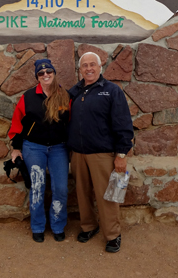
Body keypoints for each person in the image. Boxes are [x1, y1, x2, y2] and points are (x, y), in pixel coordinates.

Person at [67, 52, 134, 253]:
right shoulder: (74, 92)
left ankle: (113, 234)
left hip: (103, 155)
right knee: (83, 194)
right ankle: (89, 226)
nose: (89, 68)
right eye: (85, 65)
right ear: (80, 70)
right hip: (78, 154)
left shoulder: (112, 91)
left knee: (108, 196)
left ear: (100, 67)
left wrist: (121, 155)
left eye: (92, 65)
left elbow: (123, 123)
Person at [8, 58, 70, 243]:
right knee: (37, 186)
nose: (45, 75)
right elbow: (17, 123)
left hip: (59, 147)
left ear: (54, 73)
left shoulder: (64, 96)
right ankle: (37, 226)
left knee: (60, 188)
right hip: (34, 147)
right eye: (41, 73)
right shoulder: (27, 97)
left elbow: (72, 122)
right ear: (37, 77)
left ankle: (58, 225)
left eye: (48, 72)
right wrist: (16, 148)